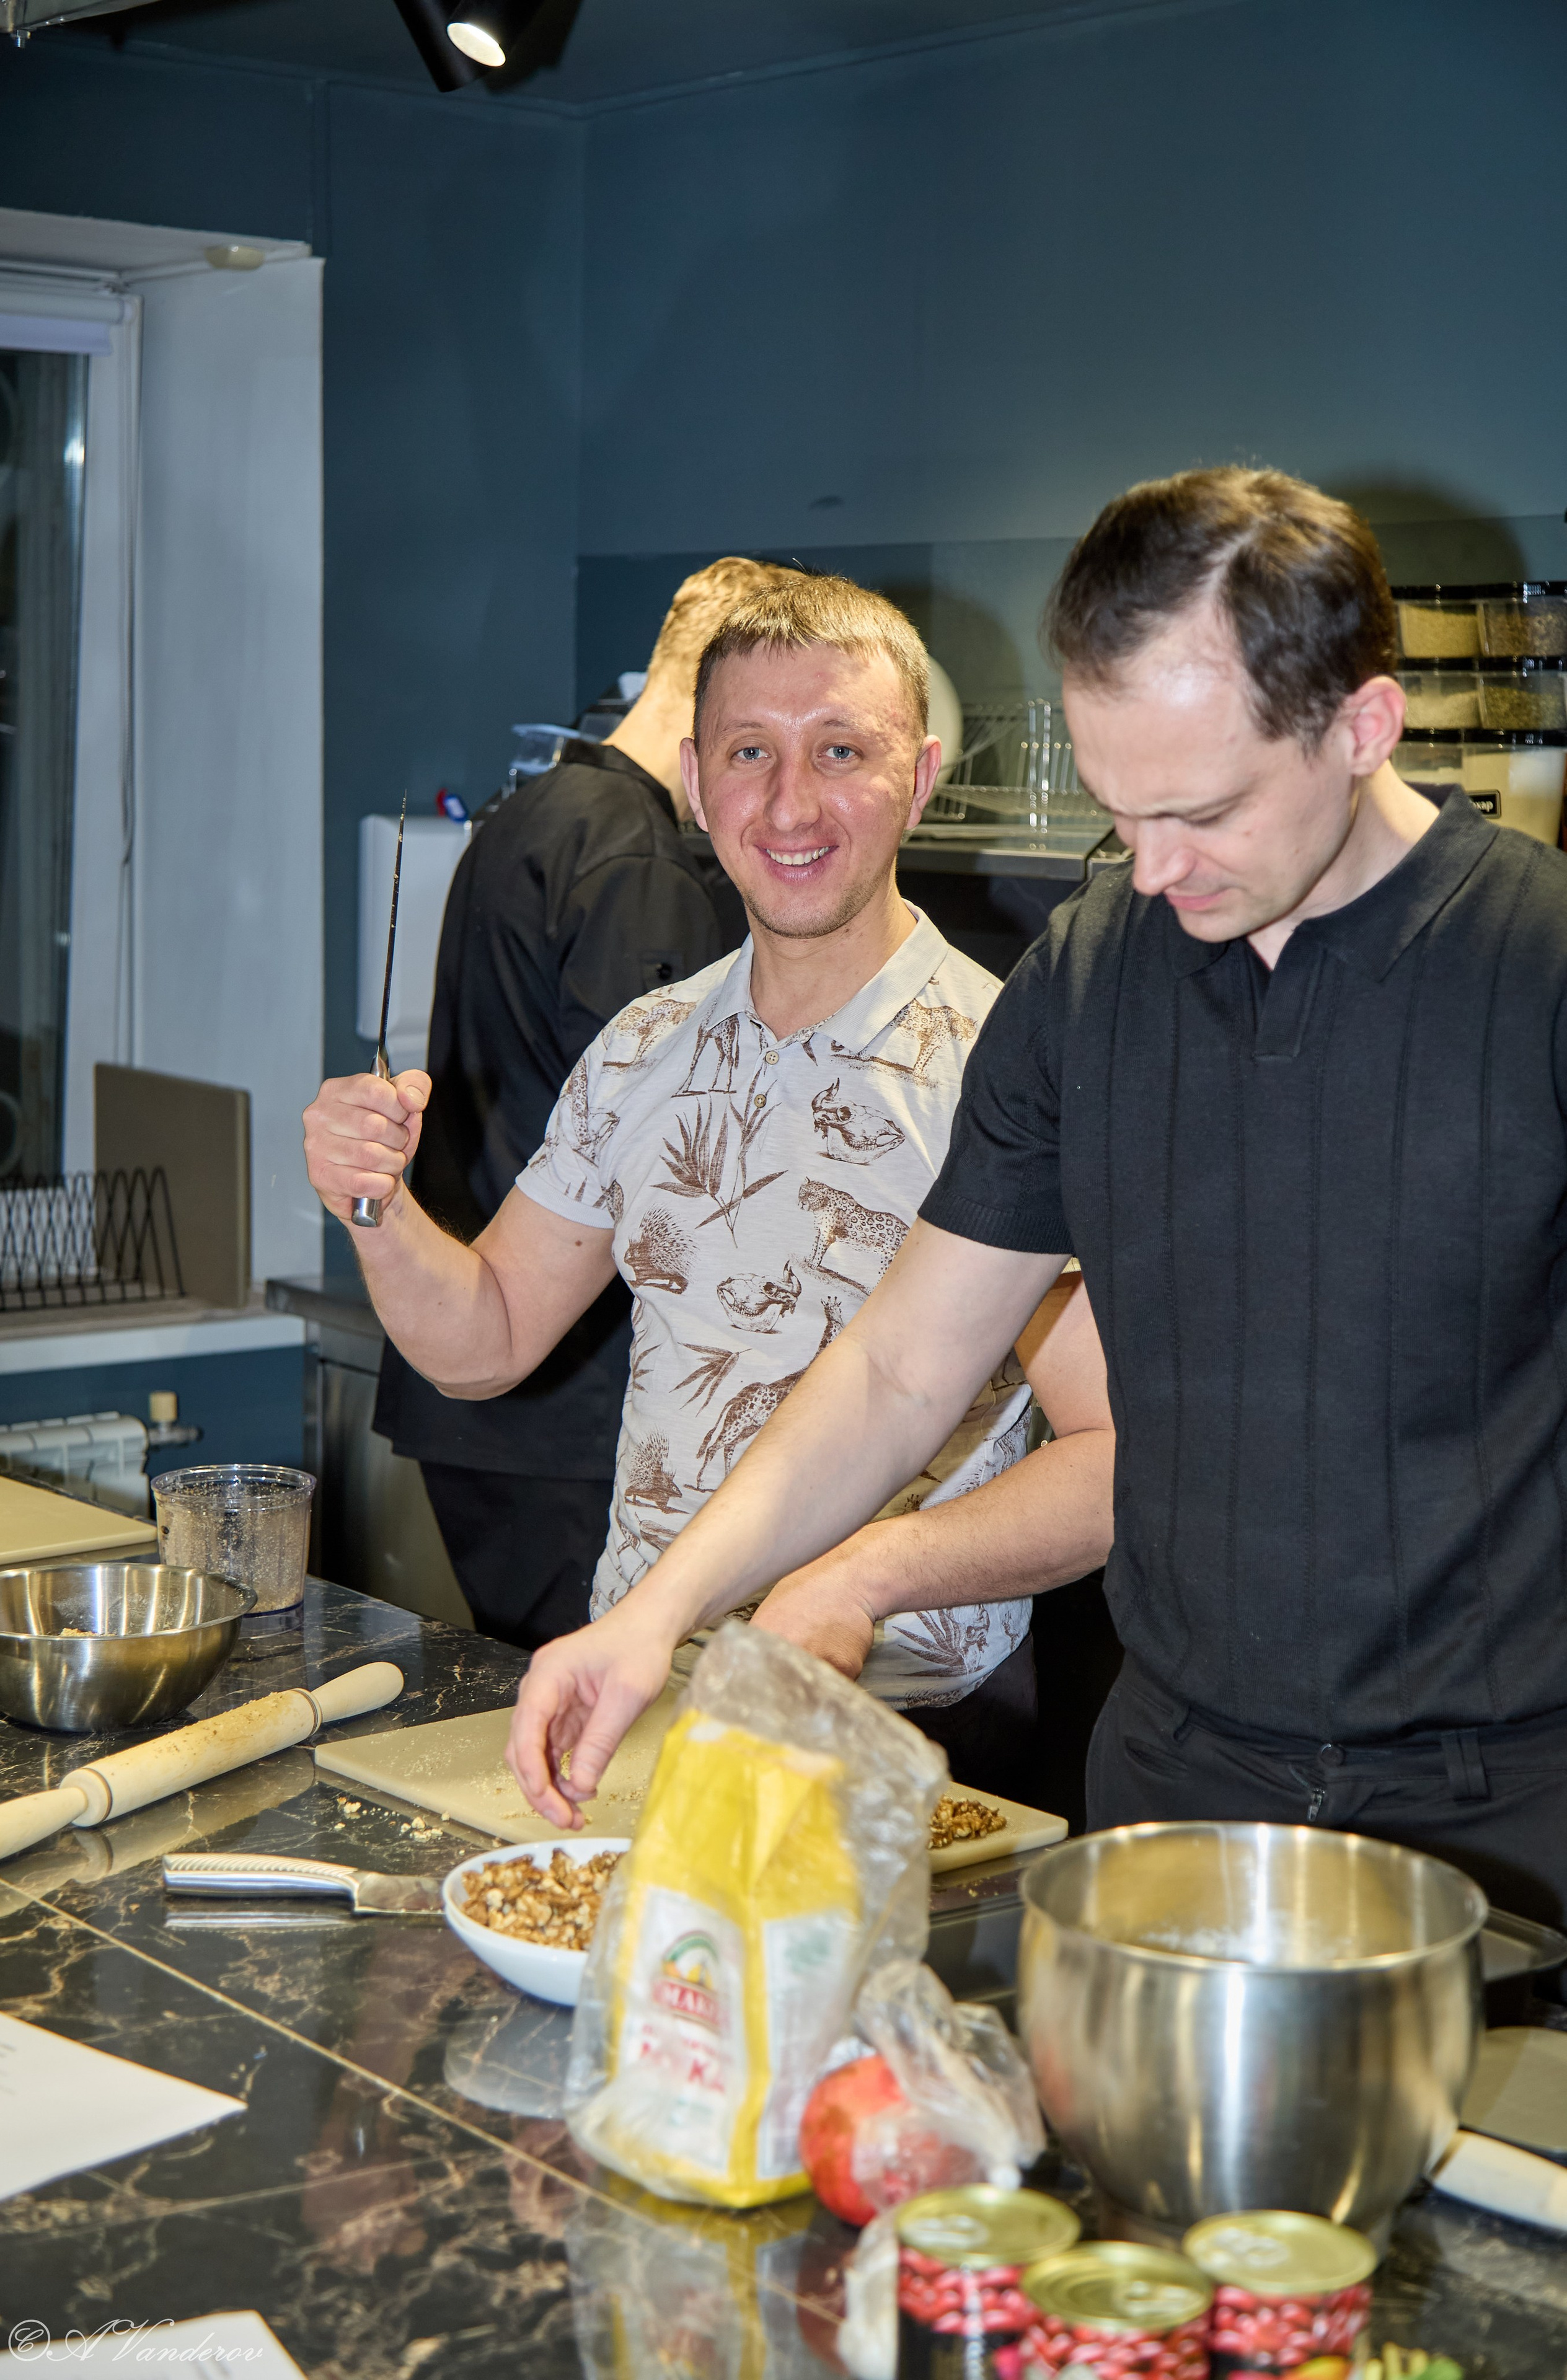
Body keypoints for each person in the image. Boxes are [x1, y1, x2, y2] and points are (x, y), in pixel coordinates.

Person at [509, 467, 1567, 1937]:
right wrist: (650, 1618)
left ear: (1360, 727)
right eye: (1117, 814)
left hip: (1502, 1833)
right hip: (1172, 1791)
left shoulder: (1534, 972)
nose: (1152, 870)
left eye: (1196, 813)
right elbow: (895, 1366)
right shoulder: (1090, 976)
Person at [306, 573, 1115, 1794]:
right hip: (648, 1708)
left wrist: (869, 1571)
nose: (790, 802)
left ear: (922, 774)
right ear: (692, 781)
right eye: (749, 751)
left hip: (905, 1736)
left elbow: (1117, 1464)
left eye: (840, 748)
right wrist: (378, 1205)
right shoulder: (643, 1044)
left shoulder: (996, 1070)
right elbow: (487, 1339)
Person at [371, 558, 795, 1649]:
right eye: (758, 735)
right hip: (560, 1403)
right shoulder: (641, 860)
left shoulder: (534, 809)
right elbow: (672, 1154)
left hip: (483, 1394)